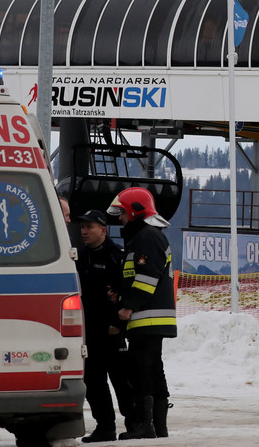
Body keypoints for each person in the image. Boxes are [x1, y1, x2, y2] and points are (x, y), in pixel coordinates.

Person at [109, 187, 177, 440]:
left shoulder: (147, 236)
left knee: (143, 370)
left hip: (148, 316)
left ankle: (146, 426)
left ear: (135, 211)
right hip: (148, 316)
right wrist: (121, 294)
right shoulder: (145, 236)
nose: (120, 219)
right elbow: (134, 275)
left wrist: (128, 305)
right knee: (152, 369)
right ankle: (157, 427)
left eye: (123, 213)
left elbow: (147, 277)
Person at [75, 209, 135, 443]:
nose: (84, 231)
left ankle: (134, 423)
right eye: (82, 227)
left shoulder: (116, 256)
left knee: (121, 380)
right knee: (93, 379)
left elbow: (125, 294)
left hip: (111, 330)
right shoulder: (79, 256)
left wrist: (118, 325)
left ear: (103, 230)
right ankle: (105, 426)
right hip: (88, 331)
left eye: (89, 227)